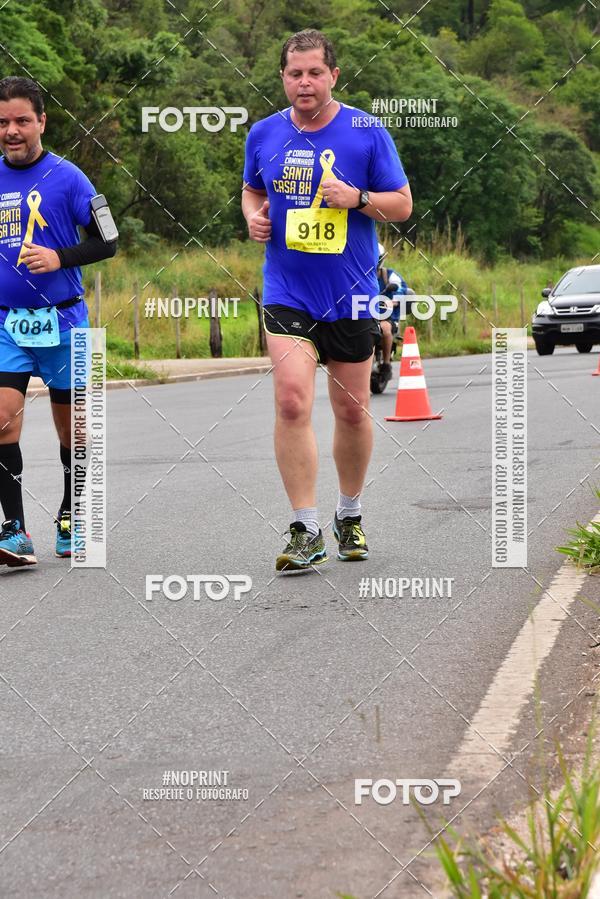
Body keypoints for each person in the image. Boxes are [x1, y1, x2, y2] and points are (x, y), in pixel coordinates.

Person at [242, 29, 412, 571]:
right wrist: (252, 215)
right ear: (283, 79)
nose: (305, 82)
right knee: (292, 400)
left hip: (352, 293)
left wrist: (357, 198)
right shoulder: (264, 133)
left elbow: (403, 205)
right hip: (287, 290)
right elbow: (252, 189)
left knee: (351, 409)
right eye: (295, 74)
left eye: (315, 72)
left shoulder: (366, 131)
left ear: (333, 75)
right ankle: (305, 527)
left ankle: (349, 513)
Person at [0, 76, 117, 567]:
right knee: (2, 421)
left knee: (77, 433)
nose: (12, 131)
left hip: (65, 321)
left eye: (22, 120)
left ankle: (73, 517)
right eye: (3, 122)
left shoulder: (70, 178)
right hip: (6, 323)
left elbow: (108, 240)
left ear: (42, 122)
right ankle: (14, 531)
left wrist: (59, 258)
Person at [376, 242, 411, 377]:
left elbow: (401, 288)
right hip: (365, 315)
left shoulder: (389, 275)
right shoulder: (361, 275)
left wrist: (393, 301)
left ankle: (386, 364)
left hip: (387, 317)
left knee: (384, 328)